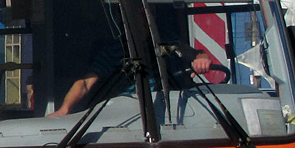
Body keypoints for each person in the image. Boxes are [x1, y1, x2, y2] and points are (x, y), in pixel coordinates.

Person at [54, 42, 211, 116]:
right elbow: (85, 83)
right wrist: (64, 109)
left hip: (172, 109)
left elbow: (196, 54)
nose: (144, 18)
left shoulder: (167, 42)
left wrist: (201, 59)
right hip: (128, 112)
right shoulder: (114, 51)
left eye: (146, 12)